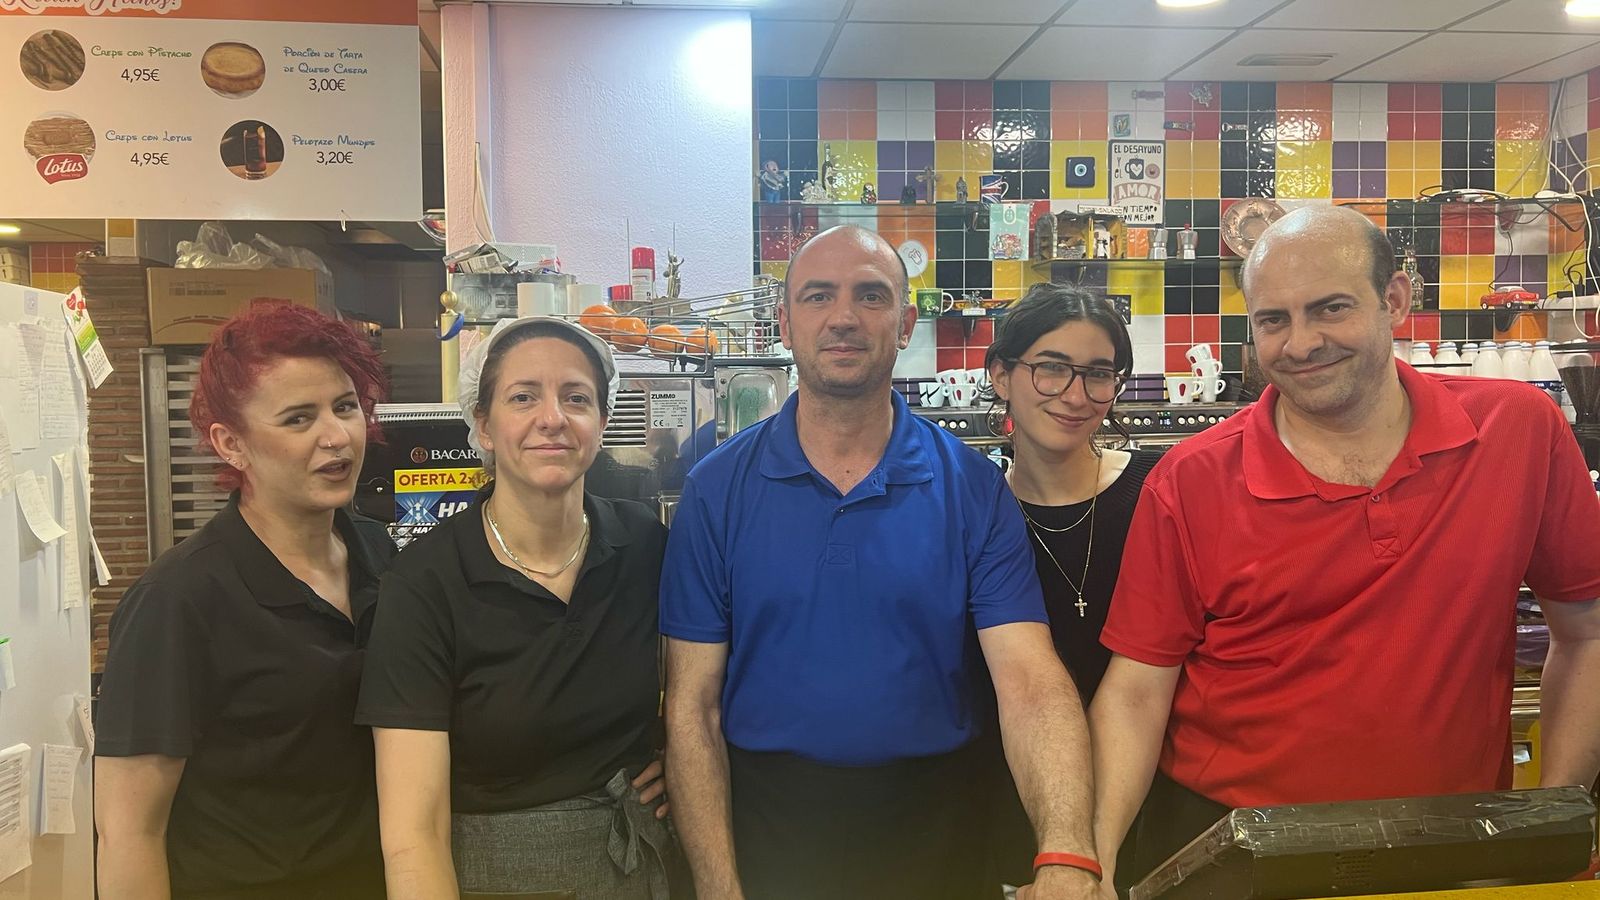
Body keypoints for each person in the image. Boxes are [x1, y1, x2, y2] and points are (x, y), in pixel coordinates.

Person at [1090, 205, 1600, 888]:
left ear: (1395, 300)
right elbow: (1136, 691)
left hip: (1454, 845)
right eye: (1273, 320)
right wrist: (1088, 864)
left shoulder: (1518, 430)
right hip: (1230, 848)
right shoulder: (1191, 478)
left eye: (1330, 308)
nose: (1301, 344)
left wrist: (1545, 823)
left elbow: (1587, 633)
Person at [663, 225, 1102, 900]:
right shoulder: (716, 490)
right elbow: (692, 709)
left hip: (939, 830)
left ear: (905, 323)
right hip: (766, 824)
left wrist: (1068, 851)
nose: (843, 317)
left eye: (870, 296)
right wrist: (719, 888)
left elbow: (1029, 682)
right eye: (818, 296)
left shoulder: (972, 488)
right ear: (785, 322)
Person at [357, 316, 678, 898]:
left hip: (637, 871)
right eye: (523, 397)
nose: (552, 418)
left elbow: (698, 687)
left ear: (603, 423)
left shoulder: (643, 547)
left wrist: (675, 758)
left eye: (576, 398)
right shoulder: (426, 582)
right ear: (483, 424)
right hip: (494, 880)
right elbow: (413, 836)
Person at [95, 304, 395, 899]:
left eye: (345, 407)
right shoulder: (177, 600)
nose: (337, 436)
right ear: (231, 444)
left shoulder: (379, 554)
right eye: (298, 418)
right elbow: (130, 832)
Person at [981, 284, 1160, 894]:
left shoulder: (1158, 489)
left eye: (1098, 374)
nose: (1076, 396)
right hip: (1010, 810)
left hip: (1148, 807)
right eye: (1052, 368)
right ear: (1001, 376)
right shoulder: (975, 511)